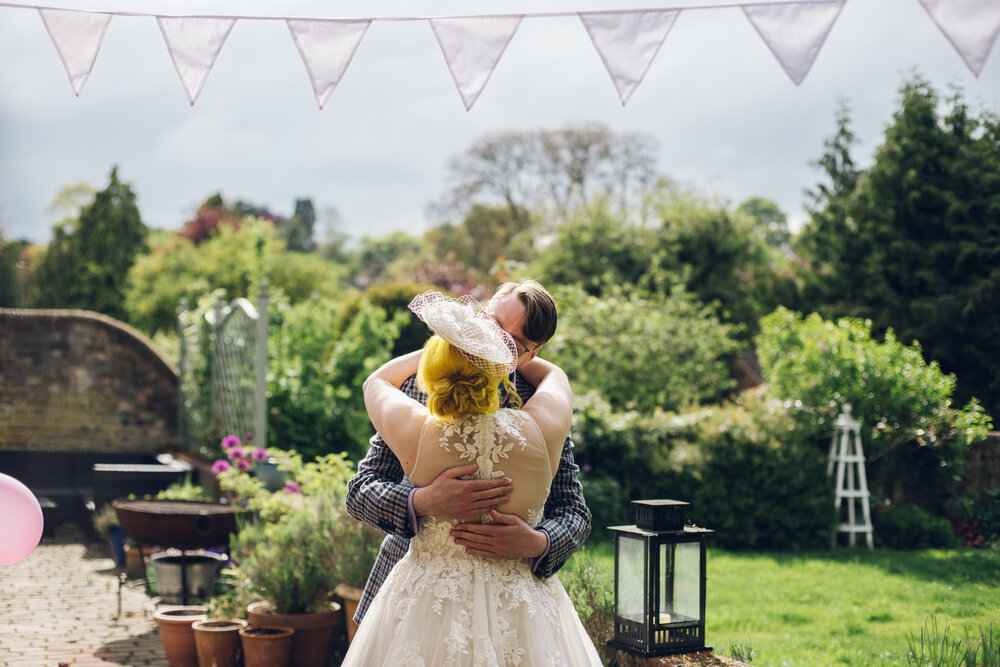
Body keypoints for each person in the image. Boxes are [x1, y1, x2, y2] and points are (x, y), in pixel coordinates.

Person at [340, 290, 602, 665]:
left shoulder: (538, 401)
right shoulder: (419, 384)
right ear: (478, 313)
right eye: (492, 323)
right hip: (412, 614)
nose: (494, 340)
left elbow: (573, 511)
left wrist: (538, 542)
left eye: (512, 342)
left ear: (532, 354)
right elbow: (360, 491)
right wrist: (421, 501)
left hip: (515, 618)